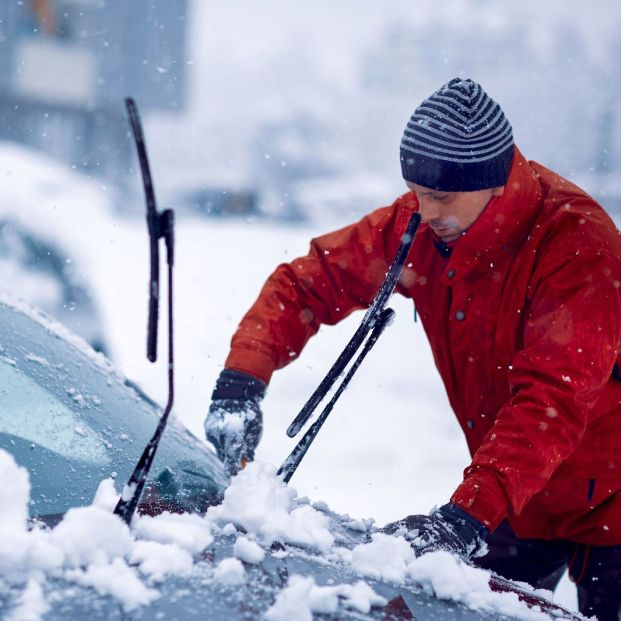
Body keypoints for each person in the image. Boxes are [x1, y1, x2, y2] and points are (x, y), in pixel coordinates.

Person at [205, 78, 621, 619]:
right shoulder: (420, 229)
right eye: (417, 193)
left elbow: (551, 399)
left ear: (492, 183)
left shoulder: (576, 245)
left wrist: (465, 517)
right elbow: (307, 283)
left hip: (609, 499)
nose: (424, 212)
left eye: (441, 197)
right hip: (514, 499)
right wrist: (243, 376)